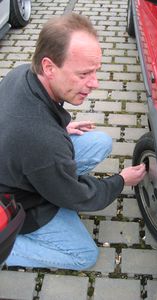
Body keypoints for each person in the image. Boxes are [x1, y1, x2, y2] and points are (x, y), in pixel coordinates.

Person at [0, 13, 146, 270]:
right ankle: (8, 247)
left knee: (100, 141)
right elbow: (80, 197)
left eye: (96, 71)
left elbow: (24, 126)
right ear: (49, 67)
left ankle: (53, 182)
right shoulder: (41, 141)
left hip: (22, 161)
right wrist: (120, 181)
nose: (95, 83)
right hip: (18, 198)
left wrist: (61, 126)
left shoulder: (22, 73)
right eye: (84, 74)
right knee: (84, 256)